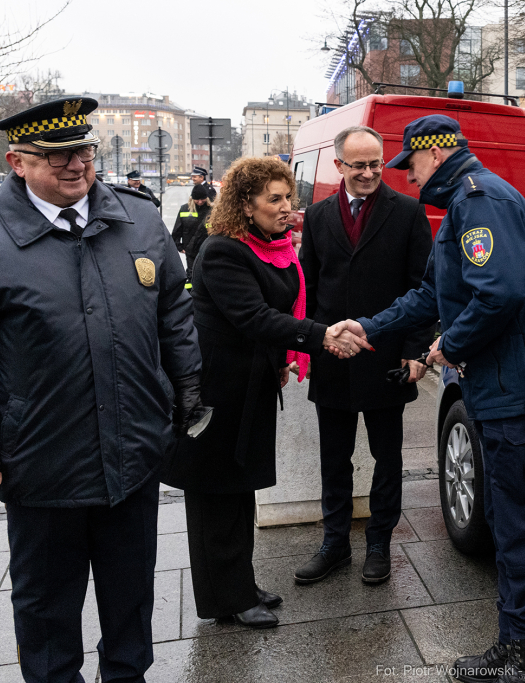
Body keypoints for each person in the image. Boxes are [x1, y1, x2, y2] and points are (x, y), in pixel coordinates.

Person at [331, 115, 525, 683]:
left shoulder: (479, 202)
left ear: (437, 155)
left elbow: (499, 295)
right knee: (511, 521)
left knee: (523, 527)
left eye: (412, 166)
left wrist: (448, 344)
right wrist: (370, 326)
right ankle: (517, 644)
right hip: (505, 392)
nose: (409, 178)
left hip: (519, 396)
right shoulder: (468, 206)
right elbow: (431, 293)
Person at [0, 96, 204, 683]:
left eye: (84, 151)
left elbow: (173, 307)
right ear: (18, 162)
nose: (75, 165)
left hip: (134, 450)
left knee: (130, 595)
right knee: (48, 607)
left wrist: (187, 391)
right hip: (42, 462)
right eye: (56, 156)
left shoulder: (138, 218)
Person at [162, 156, 370, 630]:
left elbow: (275, 311)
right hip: (215, 392)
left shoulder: (272, 248)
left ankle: (239, 584)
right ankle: (225, 599)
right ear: (245, 204)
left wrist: (281, 359)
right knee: (215, 496)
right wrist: (321, 337)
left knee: (238, 491)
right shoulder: (222, 251)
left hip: (251, 384)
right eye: (274, 199)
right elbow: (254, 317)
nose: (286, 208)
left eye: (287, 198)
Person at [294, 125, 433, 587]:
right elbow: (310, 288)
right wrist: (313, 343)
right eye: (360, 165)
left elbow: (422, 288)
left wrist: (416, 352)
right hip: (334, 356)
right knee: (334, 459)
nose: (371, 172)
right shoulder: (316, 217)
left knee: (386, 456)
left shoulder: (409, 212)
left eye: (376, 163)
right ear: (340, 167)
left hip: (386, 358)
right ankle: (335, 543)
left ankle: (379, 543)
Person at [171, 183, 212, 281]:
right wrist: (179, 246)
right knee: (192, 274)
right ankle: (191, 293)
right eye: (197, 199)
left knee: (206, 273)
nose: (200, 202)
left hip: (208, 249)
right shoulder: (185, 209)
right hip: (191, 249)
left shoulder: (212, 211)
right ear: (192, 198)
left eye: (203, 199)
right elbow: (177, 230)